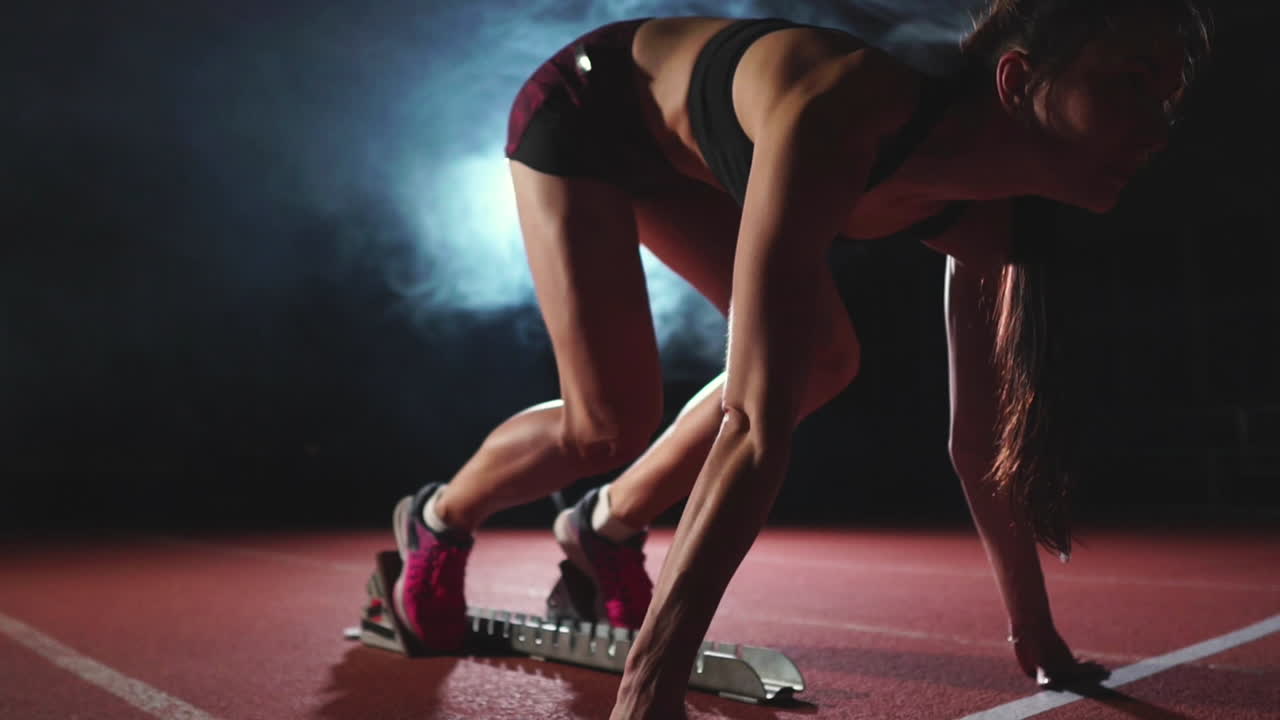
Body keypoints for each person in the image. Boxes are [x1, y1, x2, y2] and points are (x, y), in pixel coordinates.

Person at [388, 1, 1212, 716]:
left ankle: (604, 527)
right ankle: (439, 520)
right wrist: (649, 690)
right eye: (1135, 79)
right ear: (1017, 79)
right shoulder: (845, 109)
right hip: (588, 109)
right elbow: (750, 423)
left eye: (1170, 93)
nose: (1160, 125)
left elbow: (976, 441)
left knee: (823, 360)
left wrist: (1035, 635)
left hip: (694, 160)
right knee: (609, 424)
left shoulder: (989, 217)